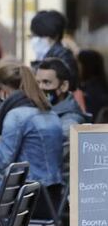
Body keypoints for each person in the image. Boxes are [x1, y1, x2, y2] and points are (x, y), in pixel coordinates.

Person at [0, 64, 63, 218]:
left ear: (4, 91)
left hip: (28, 199)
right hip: (53, 196)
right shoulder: (51, 113)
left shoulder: (16, 116)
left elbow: (1, 162)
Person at [36, 57, 90, 186]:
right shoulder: (43, 111)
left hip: (56, 189)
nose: (40, 88)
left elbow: (49, 154)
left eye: (46, 82)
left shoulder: (70, 121)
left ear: (64, 86)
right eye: (37, 83)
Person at [77, 49, 108, 121]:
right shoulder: (100, 86)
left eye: (78, 63)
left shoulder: (91, 92)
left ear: (86, 66)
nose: (76, 67)